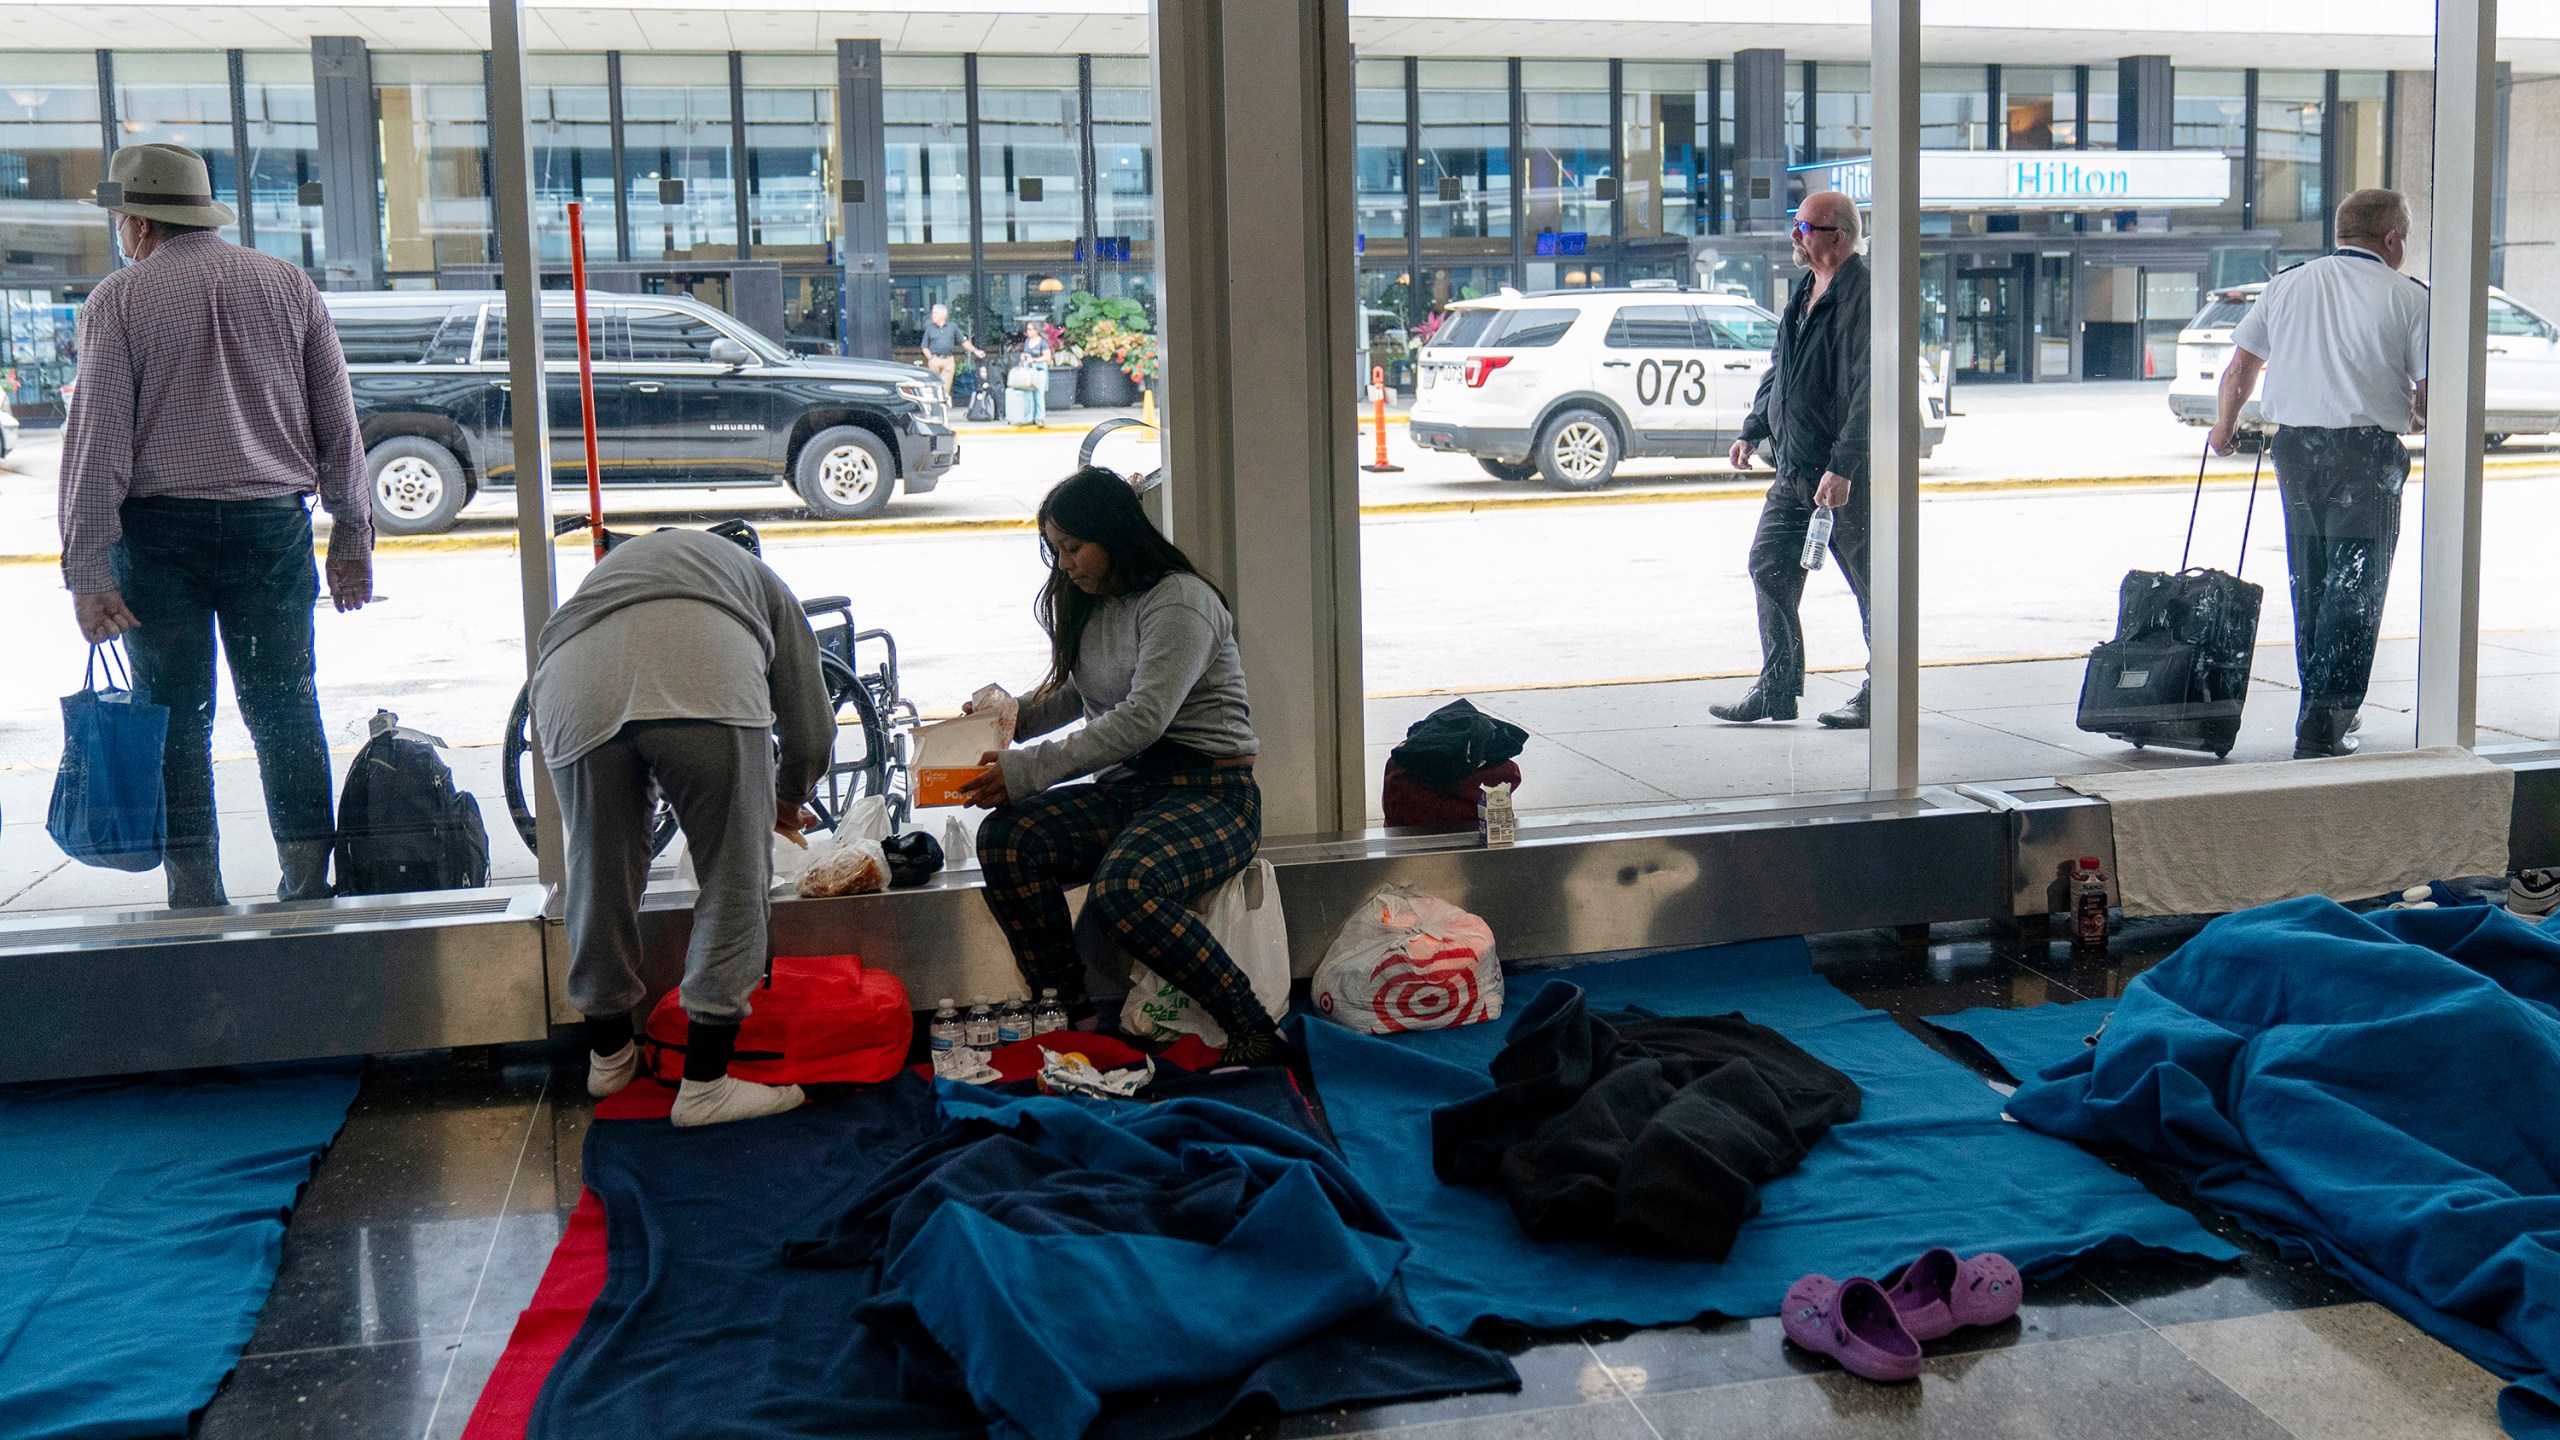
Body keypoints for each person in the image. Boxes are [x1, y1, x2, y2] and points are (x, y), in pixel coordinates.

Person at [58, 142, 373, 908]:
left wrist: (88, 571)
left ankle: (195, 892)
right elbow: (339, 423)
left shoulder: (120, 302)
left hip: (160, 540)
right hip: (272, 529)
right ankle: (307, 882)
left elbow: (99, 442)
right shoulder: (287, 284)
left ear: (138, 222)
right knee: (285, 704)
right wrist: (352, 535)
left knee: (173, 717)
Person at [959, 468, 1281, 1064]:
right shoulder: (1091, 604)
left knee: (1124, 891)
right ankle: (1070, 1013)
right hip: (1131, 791)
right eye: (1055, 550)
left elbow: (1140, 719)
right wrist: (1000, 724)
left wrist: (1024, 769)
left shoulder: (1180, 600)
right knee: (1007, 839)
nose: (1064, 565)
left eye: (1073, 548)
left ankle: (1252, 1026)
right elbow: (1077, 697)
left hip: (1212, 794)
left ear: (1113, 536)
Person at [530, 526, 837, 1127]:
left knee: (598, 871)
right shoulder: (762, 582)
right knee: (735, 873)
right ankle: (706, 1083)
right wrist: (785, 796)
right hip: (706, 677)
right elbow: (811, 729)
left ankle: (609, 1055)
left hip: (570, 683)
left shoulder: (621, 572)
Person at [2209, 188, 2428, 759]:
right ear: (2392, 240)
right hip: (2366, 457)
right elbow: (2430, 390)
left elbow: (2241, 366)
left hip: (2297, 453)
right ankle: (2326, 725)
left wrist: (2223, 428)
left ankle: (2318, 710)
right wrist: (2421, 413)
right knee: (2355, 589)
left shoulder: (2287, 284)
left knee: (2312, 581)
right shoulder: (2408, 297)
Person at [1712, 190, 1874, 731]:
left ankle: (1884, 690)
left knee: (1872, 583)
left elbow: (1870, 389)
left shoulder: (1863, 293)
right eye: (1796, 225)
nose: (1795, 237)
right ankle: (1777, 687)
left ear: (1839, 237)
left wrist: (1845, 464)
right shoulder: (1805, 289)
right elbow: (1780, 368)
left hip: (1841, 473)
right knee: (1768, 565)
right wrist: (1754, 426)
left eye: (1805, 227)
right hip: (1794, 468)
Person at [918, 302, 984, 399]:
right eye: (933, 313)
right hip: (935, 359)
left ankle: (943, 405)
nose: (933, 315)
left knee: (946, 387)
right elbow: (924, 346)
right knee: (934, 385)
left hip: (948, 360)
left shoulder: (952, 327)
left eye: (935, 313)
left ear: (943, 315)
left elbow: (963, 342)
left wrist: (975, 351)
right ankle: (935, 405)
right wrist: (931, 358)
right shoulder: (930, 328)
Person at [1008, 317, 1053, 427]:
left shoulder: (1042, 343)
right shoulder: (1028, 341)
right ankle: (1030, 416)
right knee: (1029, 394)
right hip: (1029, 371)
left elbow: (1048, 357)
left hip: (1039, 370)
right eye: (1027, 329)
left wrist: (1035, 360)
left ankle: (1040, 418)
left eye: (1030, 329)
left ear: (1036, 330)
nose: (1028, 332)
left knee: (1039, 394)